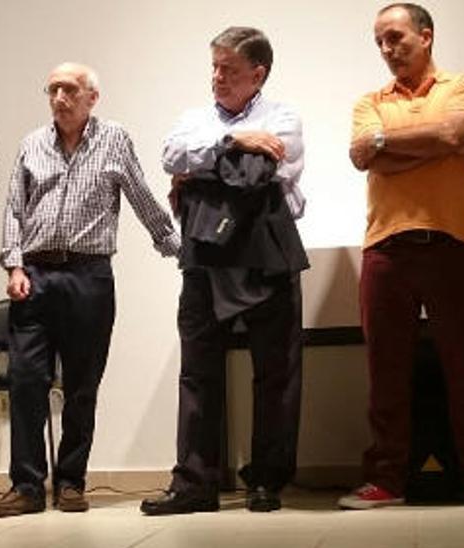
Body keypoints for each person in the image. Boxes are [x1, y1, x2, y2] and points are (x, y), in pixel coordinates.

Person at [339, 3, 464, 511]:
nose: (387, 49)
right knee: (385, 370)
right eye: (379, 41)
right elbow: (361, 154)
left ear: (426, 36)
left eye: (395, 37)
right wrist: (431, 143)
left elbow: (453, 133)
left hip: (453, 242)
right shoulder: (369, 101)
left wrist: (389, 145)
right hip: (386, 247)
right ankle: (386, 480)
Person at [0, 62, 180, 517]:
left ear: (92, 97)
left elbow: (141, 195)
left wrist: (176, 249)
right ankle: (27, 485)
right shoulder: (33, 144)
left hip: (89, 277)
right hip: (34, 275)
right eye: (52, 89)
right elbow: (14, 208)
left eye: (70, 89)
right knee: (26, 381)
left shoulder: (114, 139)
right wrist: (13, 265)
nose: (59, 98)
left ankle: (71, 482)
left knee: (81, 385)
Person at [140, 26, 307, 515]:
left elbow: (263, 174)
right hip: (203, 256)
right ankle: (194, 483)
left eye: (228, 70)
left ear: (258, 74)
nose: (217, 77)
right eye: (213, 67)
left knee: (275, 373)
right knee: (197, 371)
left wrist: (200, 173)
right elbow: (171, 155)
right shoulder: (193, 118)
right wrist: (234, 139)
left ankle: (266, 481)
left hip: (265, 253)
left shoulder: (285, 117)